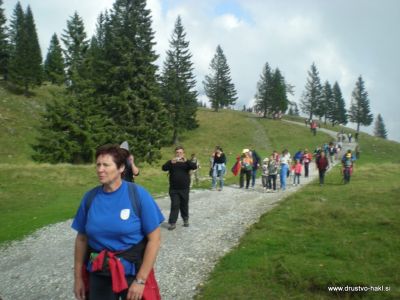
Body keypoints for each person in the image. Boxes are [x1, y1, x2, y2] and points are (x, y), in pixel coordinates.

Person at [72, 144, 164, 300]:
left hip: (131, 273)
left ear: (121, 168)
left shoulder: (138, 195)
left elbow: (154, 239)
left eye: (106, 165)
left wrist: (140, 281)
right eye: (98, 165)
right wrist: (78, 278)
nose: (100, 169)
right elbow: (81, 238)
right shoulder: (90, 198)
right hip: (99, 272)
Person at [162, 146, 197, 230]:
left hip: (184, 188)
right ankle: (172, 223)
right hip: (174, 188)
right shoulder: (172, 162)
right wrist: (170, 162)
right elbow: (163, 168)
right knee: (175, 205)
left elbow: (194, 166)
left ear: (183, 153)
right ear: (175, 153)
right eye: (177, 152)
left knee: (184, 204)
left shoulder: (186, 162)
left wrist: (187, 161)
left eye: (180, 152)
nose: (179, 154)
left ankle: (185, 219)